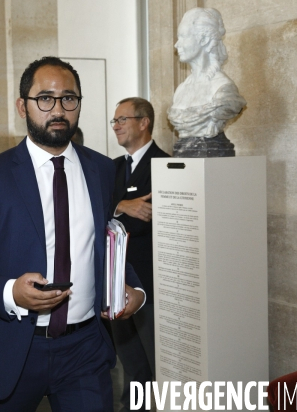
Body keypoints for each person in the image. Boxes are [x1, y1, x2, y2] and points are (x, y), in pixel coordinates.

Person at [0, 56, 145, 412]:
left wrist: (135, 290)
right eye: (45, 99)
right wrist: (10, 292)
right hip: (14, 348)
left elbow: (107, 241)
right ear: (23, 106)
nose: (58, 109)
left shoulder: (100, 169)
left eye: (69, 98)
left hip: (85, 351)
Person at [110, 97, 170, 411]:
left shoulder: (165, 164)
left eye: (122, 119)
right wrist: (123, 206)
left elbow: (152, 219)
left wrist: (117, 209)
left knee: (155, 363)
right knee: (130, 363)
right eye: (114, 121)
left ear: (144, 122)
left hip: (149, 284)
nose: (116, 126)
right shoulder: (113, 168)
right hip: (115, 281)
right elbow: (95, 210)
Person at [167, 7, 245, 140]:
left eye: (183, 37)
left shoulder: (223, 89)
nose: (176, 45)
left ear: (204, 39)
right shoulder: (180, 90)